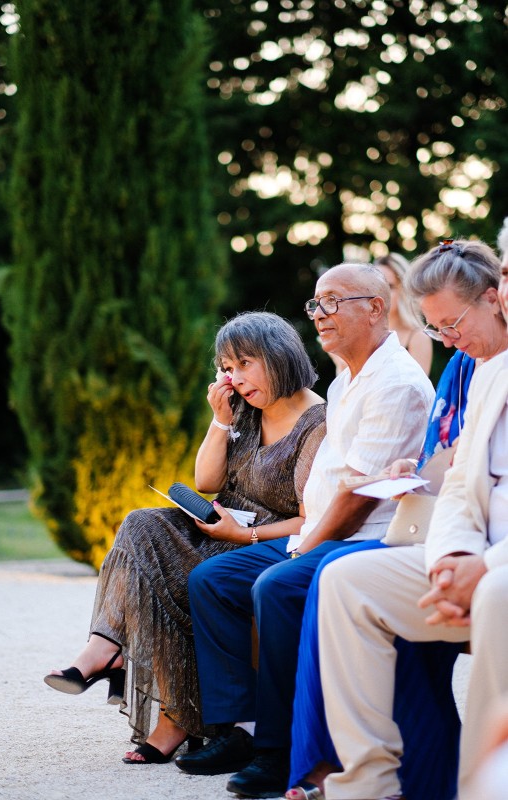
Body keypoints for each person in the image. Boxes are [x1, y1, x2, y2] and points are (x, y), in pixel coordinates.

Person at [176, 263, 434, 797]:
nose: (319, 314)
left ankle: (277, 750)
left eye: (334, 301)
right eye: (316, 303)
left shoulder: (396, 383)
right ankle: (240, 727)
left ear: (375, 307)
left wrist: (303, 549)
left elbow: (362, 497)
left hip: (366, 540)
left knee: (277, 586)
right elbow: (213, 480)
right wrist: (298, 540)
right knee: (213, 581)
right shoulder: (347, 380)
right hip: (313, 533)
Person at [44, 311, 327, 764]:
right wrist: (220, 421)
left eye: (244, 364)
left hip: (270, 539)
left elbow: (314, 520)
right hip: (224, 525)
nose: (235, 378)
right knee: (141, 523)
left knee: (183, 578)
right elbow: (207, 480)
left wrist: (245, 532)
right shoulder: (248, 410)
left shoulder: (318, 424)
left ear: (278, 356)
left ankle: (176, 719)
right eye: (228, 368)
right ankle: (105, 649)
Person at [287, 236, 508, 800]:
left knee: (495, 594)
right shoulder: (486, 369)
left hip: (499, 568)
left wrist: (484, 565)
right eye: (435, 329)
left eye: (452, 322)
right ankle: (366, 784)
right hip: (462, 549)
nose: (447, 339)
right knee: (343, 580)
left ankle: (481, 786)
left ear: (491, 296)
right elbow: (457, 483)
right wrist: (455, 555)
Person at [374, 252, 433, 374]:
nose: (380, 294)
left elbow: (418, 391)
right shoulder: (367, 334)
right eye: (375, 286)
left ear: (404, 290)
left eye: (389, 286)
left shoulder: (418, 338)